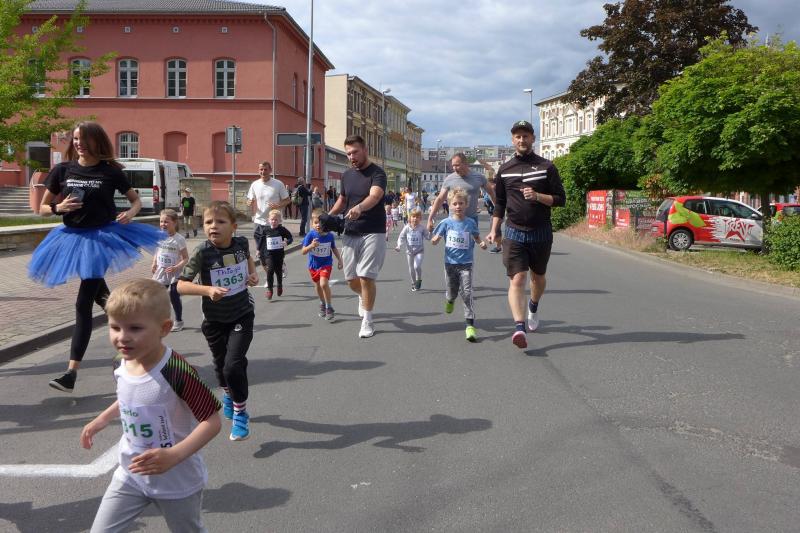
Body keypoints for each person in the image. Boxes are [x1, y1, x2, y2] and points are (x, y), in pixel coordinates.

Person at [30, 121, 162, 393]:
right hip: (71, 238)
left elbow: (136, 200)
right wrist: (58, 207)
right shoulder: (63, 170)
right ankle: (139, 335)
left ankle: (71, 373)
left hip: (101, 239)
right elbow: (41, 208)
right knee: (104, 299)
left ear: (96, 141)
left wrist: (130, 213)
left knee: (83, 303)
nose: (79, 143)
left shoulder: (110, 171)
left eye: (84, 138)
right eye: (76, 138)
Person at [81, 279, 221, 533]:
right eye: (115, 327)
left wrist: (174, 455)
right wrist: (102, 418)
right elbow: (130, 396)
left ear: (164, 328)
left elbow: (211, 421)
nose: (122, 337)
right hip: (131, 474)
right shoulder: (120, 362)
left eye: (135, 328)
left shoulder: (177, 370)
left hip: (176, 481)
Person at [177, 201, 259, 441]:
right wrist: (207, 290)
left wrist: (253, 274)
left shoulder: (241, 243)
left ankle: (241, 413)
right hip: (214, 320)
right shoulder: (202, 252)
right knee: (221, 366)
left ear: (233, 226)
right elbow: (181, 285)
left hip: (242, 313)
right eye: (208, 222)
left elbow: (248, 260)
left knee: (233, 364)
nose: (213, 226)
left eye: (220, 222)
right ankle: (228, 393)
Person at [487, 120, 566, 349]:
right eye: (518, 136)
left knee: (538, 278)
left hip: (541, 232)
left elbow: (561, 199)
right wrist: (494, 229)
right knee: (518, 278)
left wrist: (538, 196)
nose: (522, 140)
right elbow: (499, 203)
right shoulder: (505, 170)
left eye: (526, 136)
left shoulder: (546, 167)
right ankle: (519, 327)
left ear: (533, 138)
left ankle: (533, 305)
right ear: (513, 140)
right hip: (514, 232)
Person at [328, 134, 387, 339]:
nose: (352, 157)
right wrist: (328, 216)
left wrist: (360, 208)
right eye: (348, 154)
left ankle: (368, 320)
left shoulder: (377, 173)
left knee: (366, 276)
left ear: (365, 150)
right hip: (350, 231)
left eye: (355, 152)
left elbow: (375, 196)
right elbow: (343, 199)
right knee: (351, 279)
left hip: (373, 231)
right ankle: (364, 296)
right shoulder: (346, 175)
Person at [431, 188, 487, 342]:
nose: (458, 206)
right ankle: (450, 299)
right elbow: (436, 237)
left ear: (466, 204)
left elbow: (476, 236)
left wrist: (481, 243)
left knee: (467, 293)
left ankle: (470, 325)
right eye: (454, 203)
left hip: (466, 263)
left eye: (461, 203)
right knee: (452, 290)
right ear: (449, 205)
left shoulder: (470, 223)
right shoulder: (446, 223)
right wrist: (435, 240)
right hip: (450, 264)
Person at [246, 161, 290, 284]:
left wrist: (278, 205)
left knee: (274, 251)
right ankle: (269, 277)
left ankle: (281, 263)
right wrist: (249, 202)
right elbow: (249, 199)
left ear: (270, 170)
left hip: (274, 222)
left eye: (265, 169)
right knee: (261, 254)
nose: (263, 172)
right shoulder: (255, 184)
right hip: (259, 222)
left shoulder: (278, 184)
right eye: (261, 169)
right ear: (258, 170)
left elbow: (287, 200)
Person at [427, 153, 495, 233]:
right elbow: (440, 199)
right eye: (453, 166)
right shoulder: (449, 179)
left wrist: (498, 211)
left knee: (471, 241)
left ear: (465, 164)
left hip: (471, 219)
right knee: (452, 241)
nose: (454, 168)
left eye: (457, 165)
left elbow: (491, 193)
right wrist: (430, 218)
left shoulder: (479, 177)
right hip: (453, 220)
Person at [301, 209, 343, 321]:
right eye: (315, 223)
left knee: (324, 284)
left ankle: (329, 307)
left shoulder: (330, 236)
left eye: (320, 222)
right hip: (313, 266)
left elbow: (333, 248)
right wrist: (311, 246)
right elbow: (303, 251)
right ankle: (322, 303)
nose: (318, 225)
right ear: (312, 223)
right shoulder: (310, 235)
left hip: (326, 264)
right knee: (318, 286)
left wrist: (340, 260)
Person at [152, 209, 189, 332]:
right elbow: (157, 251)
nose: (163, 224)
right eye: (161, 221)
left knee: (173, 295)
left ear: (174, 222)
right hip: (161, 271)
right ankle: (161, 321)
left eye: (166, 222)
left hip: (174, 272)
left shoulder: (179, 239)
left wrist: (176, 267)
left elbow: (185, 258)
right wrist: (154, 263)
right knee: (158, 297)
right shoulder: (159, 236)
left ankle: (178, 321)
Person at [260, 209, 293, 300]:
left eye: (276, 220)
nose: (274, 221)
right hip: (268, 254)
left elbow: (290, 238)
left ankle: (279, 286)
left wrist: (286, 242)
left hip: (279, 254)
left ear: (279, 221)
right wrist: (258, 250)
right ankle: (270, 290)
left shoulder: (282, 230)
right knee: (270, 270)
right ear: (268, 220)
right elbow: (261, 241)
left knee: (278, 272)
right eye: (272, 219)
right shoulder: (265, 230)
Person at [395, 207, 430, 291]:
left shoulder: (422, 228)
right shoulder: (407, 228)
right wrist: (399, 245)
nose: (415, 219)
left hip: (419, 251)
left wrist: (431, 231)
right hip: (409, 252)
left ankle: (419, 279)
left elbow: (428, 237)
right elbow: (401, 237)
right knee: (411, 268)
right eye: (413, 216)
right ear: (410, 218)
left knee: (416, 266)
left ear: (420, 219)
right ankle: (413, 283)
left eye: (417, 217)